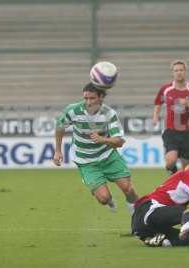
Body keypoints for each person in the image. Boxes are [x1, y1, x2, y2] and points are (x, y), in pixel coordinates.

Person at [53, 82, 138, 213]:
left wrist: (102, 139)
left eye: (92, 98)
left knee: (128, 188)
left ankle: (137, 215)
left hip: (108, 157)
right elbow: (59, 127)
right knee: (104, 198)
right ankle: (108, 200)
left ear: (101, 97)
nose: (88, 102)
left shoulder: (109, 114)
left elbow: (119, 142)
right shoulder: (73, 110)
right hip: (86, 161)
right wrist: (58, 150)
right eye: (85, 98)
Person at [153, 60, 189, 174]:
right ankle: (172, 172)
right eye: (176, 70)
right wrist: (155, 116)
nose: (179, 73)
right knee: (170, 161)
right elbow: (158, 102)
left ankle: (180, 184)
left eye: (181, 70)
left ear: (185, 72)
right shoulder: (166, 89)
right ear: (173, 73)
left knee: (186, 168)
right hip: (171, 131)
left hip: (187, 132)